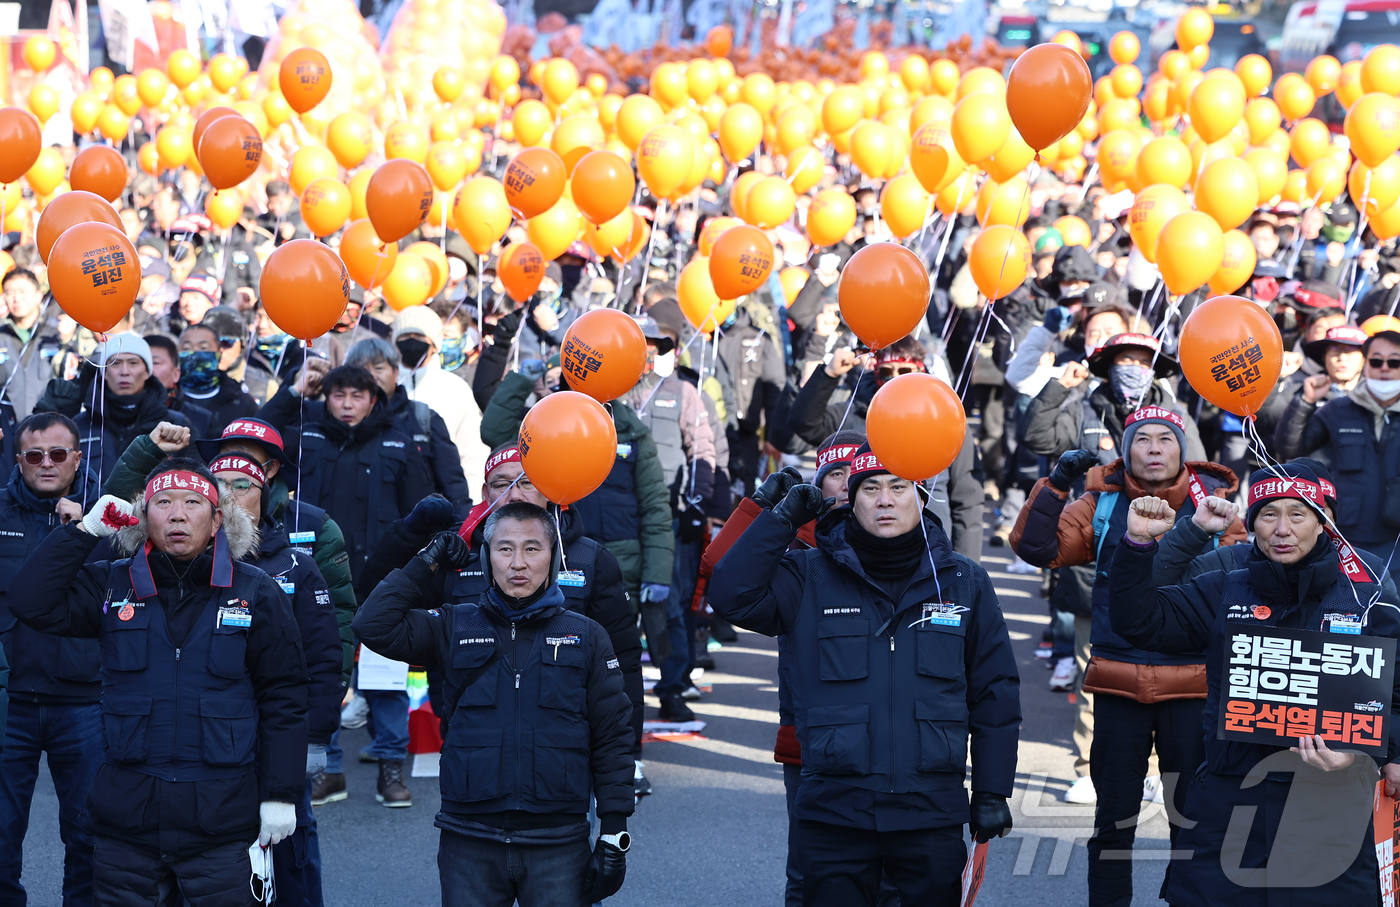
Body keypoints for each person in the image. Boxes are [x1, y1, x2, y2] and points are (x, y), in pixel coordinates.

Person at [709, 443, 1020, 906]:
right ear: (850, 499)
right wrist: (779, 519)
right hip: (835, 813)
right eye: (870, 488)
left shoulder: (963, 580)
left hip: (929, 813)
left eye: (899, 487)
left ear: (921, 496)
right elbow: (731, 594)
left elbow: (995, 690)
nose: (885, 499)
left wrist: (994, 788)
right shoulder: (806, 574)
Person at [7, 459, 308, 906]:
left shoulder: (255, 590)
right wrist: (84, 532)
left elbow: (285, 695)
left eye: (193, 502)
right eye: (162, 503)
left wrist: (281, 794)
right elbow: (30, 601)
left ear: (217, 520)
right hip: (126, 822)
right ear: (144, 517)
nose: (177, 514)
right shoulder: (111, 584)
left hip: (222, 819)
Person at [1107, 463, 1400, 905]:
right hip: (1232, 795)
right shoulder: (1226, 586)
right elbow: (1139, 621)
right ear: (1252, 522)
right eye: (1268, 514)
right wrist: (1137, 544)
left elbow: (1393, 690)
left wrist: (1374, 754)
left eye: (1298, 515)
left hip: (1330, 801)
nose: (1282, 529)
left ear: (1326, 522)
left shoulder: (1366, 591)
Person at [1009, 406, 1246, 905]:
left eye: (1166, 439)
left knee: (1191, 825)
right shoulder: (1102, 502)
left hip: (1194, 685)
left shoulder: (1216, 506)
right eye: (1143, 440)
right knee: (1112, 827)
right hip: (1117, 682)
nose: (1155, 448)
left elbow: (1243, 582)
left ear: (1184, 449)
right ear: (1126, 449)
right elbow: (1036, 549)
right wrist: (1055, 487)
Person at [353, 501, 635, 907]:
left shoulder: (586, 636)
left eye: (532, 549)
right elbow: (371, 624)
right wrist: (427, 560)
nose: (518, 563)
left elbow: (613, 738)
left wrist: (613, 833)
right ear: (486, 559)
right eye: (504, 549)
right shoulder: (453, 624)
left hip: (557, 842)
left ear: (553, 558)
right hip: (468, 841)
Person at [356, 442, 646, 796]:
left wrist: (630, 755)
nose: (513, 494)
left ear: (550, 488)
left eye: (526, 482)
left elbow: (625, 660)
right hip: (474, 748)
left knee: (566, 846)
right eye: (501, 483)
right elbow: (374, 603)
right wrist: (409, 536)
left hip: (565, 754)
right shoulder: (458, 553)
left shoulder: (589, 558)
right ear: (484, 492)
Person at [258, 364, 433, 807]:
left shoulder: (398, 442)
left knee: (385, 680)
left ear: (374, 399)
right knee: (323, 673)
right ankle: (329, 771)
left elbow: (420, 514)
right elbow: (256, 436)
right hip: (318, 577)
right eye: (339, 395)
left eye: (358, 396)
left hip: (381, 580)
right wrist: (293, 391)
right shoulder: (307, 436)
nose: (348, 404)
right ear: (325, 398)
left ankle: (391, 769)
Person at [209, 452, 341, 907]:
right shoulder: (190, 564)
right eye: (219, 484)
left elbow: (325, 659)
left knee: (291, 857)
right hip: (214, 741)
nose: (231, 495)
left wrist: (317, 738)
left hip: (281, 739)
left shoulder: (297, 567)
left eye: (242, 485)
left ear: (267, 495)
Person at [0, 413, 101, 906]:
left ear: (77, 458)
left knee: (89, 837)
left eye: (58, 454)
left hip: (83, 699)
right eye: (33, 455)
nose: (46, 464)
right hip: (8, 699)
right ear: (17, 460)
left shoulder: (108, 515)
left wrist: (86, 529)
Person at [1275, 329, 1400, 577]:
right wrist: (1305, 402)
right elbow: (1289, 448)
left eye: (1394, 362)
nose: (1384, 368)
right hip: (1347, 534)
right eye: (1376, 361)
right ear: (1366, 365)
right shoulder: (1338, 408)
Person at [35, 334, 195, 483]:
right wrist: (48, 415)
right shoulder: (80, 426)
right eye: (116, 363)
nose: (124, 372)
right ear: (104, 372)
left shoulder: (175, 425)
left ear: (147, 372)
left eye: (133, 363)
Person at [344, 337, 473, 516]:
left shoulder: (423, 417)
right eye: (363, 368)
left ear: (396, 372)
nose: (371, 375)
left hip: (416, 532)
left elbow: (453, 483)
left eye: (379, 368)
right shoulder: (339, 420)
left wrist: (463, 534)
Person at [392, 306, 488, 492]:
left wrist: (471, 507)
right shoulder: (382, 385)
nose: (412, 342)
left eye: (420, 337)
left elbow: (472, 456)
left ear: (435, 343)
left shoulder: (456, 389)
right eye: (405, 337)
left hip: (441, 498)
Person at [172, 321, 258, 439]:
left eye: (203, 348)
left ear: (219, 353)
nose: (196, 353)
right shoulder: (166, 398)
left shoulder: (242, 402)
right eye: (187, 348)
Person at [0, 268, 64, 419]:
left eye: (22, 291)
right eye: (10, 293)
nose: (17, 299)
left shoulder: (59, 332)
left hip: (52, 426)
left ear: (38, 295)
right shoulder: (1, 335)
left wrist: (67, 342)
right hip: (8, 432)